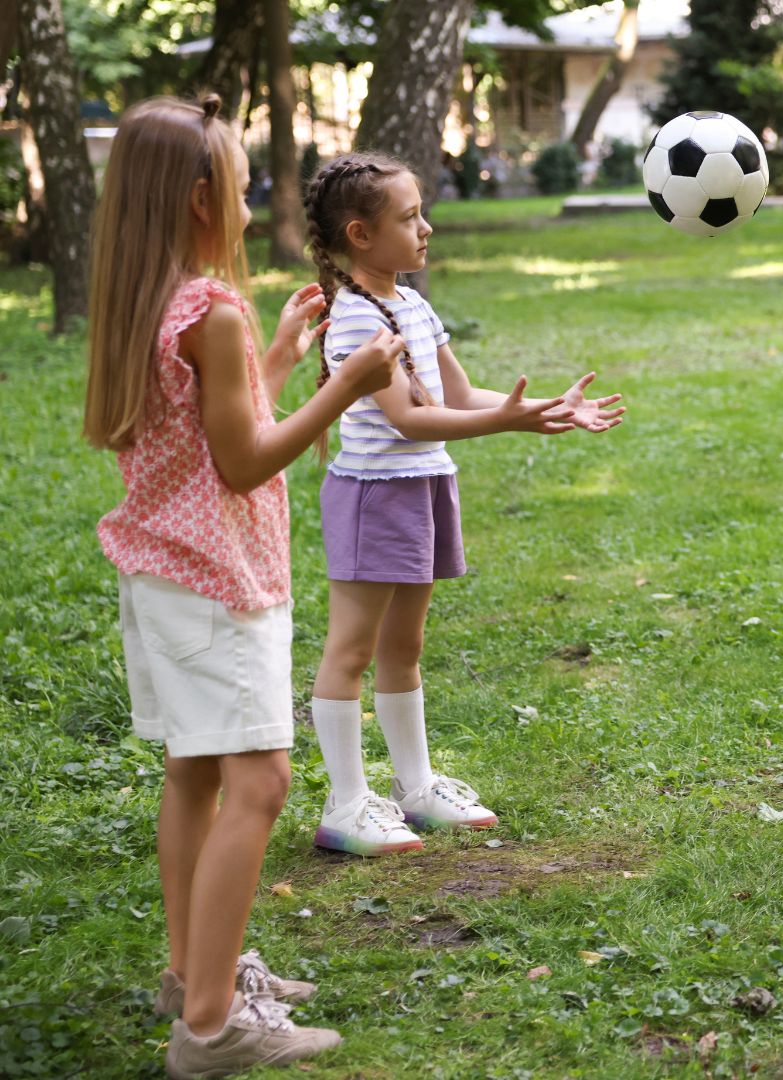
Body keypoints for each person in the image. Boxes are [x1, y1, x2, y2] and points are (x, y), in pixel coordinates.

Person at [85, 94, 402, 1076]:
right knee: (260, 781)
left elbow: (206, 431)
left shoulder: (151, 302)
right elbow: (244, 462)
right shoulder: (211, 311)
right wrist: (343, 387)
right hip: (219, 583)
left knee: (195, 773)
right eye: (236, 181)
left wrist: (276, 363)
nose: (248, 198)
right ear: (196, 198)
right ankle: (213, 1026)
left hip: (163, 577)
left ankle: (194, 973)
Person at [301, 151, 625, 857]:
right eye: (410, 217)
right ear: (361, 235)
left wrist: (546, 408)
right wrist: (507, 422)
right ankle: (346, 803)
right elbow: (407, 420)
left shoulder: (413, 304)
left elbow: (457, 395)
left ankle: (415, 788)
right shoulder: (354, 319)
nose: (426, 229)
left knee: (405, 646)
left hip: (420, 487)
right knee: (352, 648)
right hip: (374, 495)